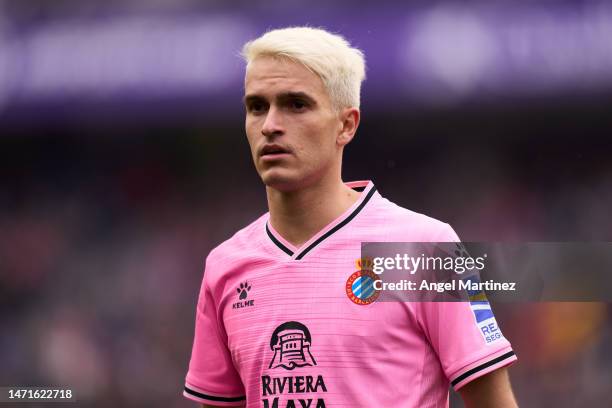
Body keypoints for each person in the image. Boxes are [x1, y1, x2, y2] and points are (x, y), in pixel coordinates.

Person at [183, 26, 518, 408]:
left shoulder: (424, 246)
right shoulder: (225, 266)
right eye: (257, 106)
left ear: (346, 125)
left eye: (296, 104)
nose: (270, 125)